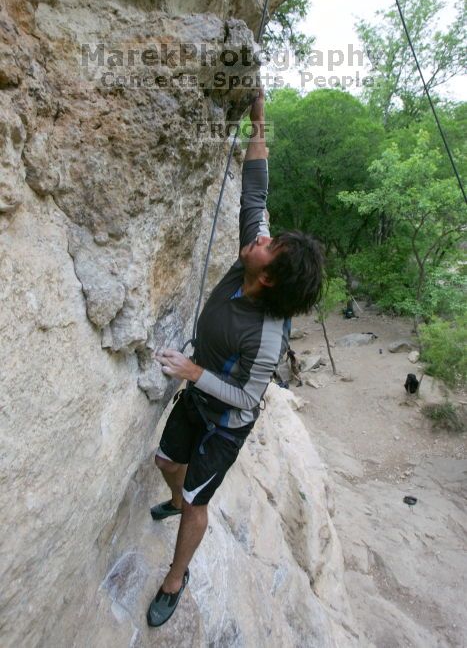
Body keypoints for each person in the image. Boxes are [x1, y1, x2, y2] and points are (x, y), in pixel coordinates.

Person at [146, 89, 324, 627]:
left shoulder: (266, 333)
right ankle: (175, 498)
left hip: (227, 422)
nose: (262, 236)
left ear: (267, 276)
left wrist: (194, 371)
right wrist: (259, 118)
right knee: (164, 463)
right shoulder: (254, 258)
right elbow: (255, 190)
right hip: (200, 393)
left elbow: (249, 397)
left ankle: (176, 576)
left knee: (198, 502)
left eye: (272, 246)